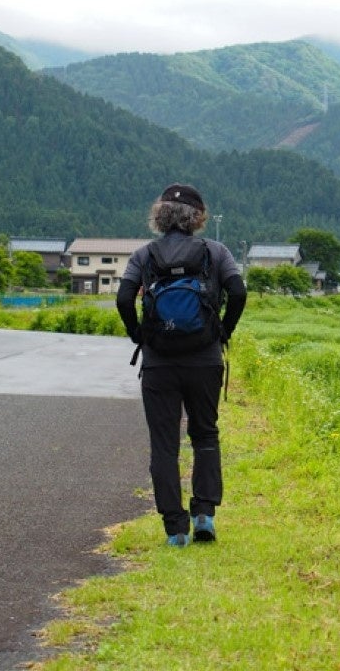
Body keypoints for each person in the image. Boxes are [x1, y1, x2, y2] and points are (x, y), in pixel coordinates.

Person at [116, 183, 247, 546]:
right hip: (204, 359)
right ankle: (204, 513)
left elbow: (124, 298)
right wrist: (223, 331)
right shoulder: (216, 252)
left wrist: (138, 334)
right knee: (205, 433)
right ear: (198, 217)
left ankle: (175, 529)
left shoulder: (144, 255)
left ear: (160, 216)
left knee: (164, 444)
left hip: (159, 362)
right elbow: (237, 293)